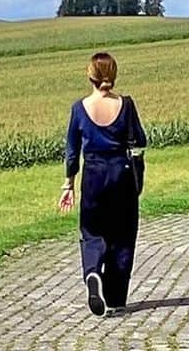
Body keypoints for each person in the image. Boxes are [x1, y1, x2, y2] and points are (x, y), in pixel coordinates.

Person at [60, 51, 147, 317]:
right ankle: (116, 297)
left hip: (94, 176)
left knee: (92, 230)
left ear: (90, 76)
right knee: (122, 235)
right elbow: (141, 139)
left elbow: (72, 151)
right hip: (121, 175)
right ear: (113, 75)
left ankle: (92, 273)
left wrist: (68, 185)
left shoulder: (79, 108)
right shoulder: (127, 105)